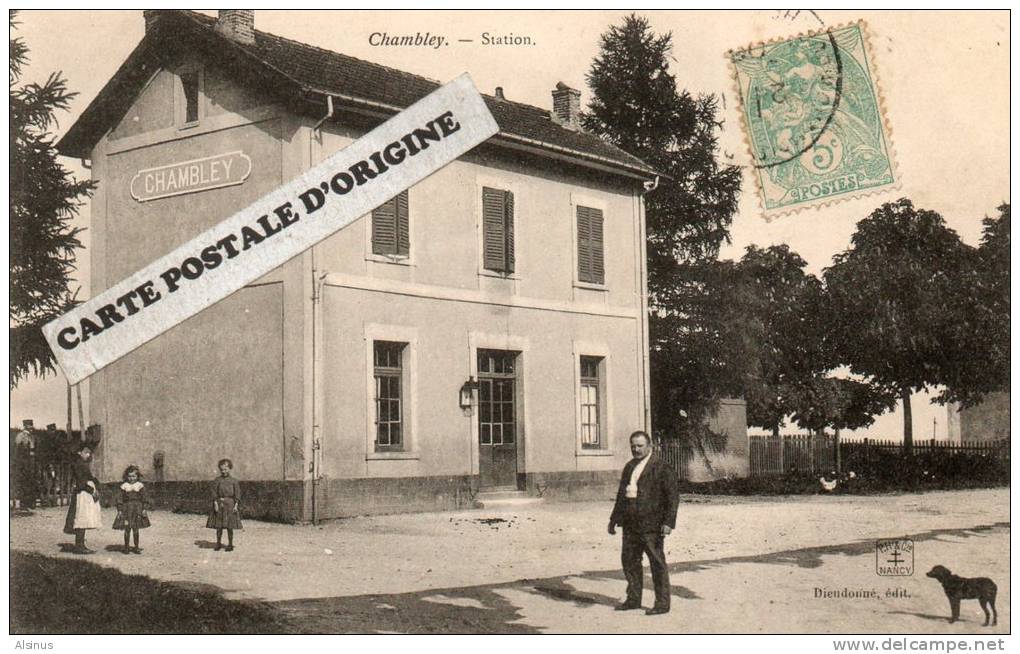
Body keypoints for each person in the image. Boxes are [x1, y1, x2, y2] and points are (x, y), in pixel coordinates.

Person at [608, 430, 680, 615]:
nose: (636, 449)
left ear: (649, 446)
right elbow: (621, 496)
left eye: (640, 446)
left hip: (652, 525)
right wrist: (614, 519)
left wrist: (668, 522)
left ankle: (662, 604)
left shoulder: (662, 467)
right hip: (630, 524)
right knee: (630, 561)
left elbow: (672, 497)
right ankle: (633, 599)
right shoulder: (629, 466)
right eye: (633, 446)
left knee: (656, 563)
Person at [62, 444, 102, 554]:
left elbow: (89, 477)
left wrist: (96, 485)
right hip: (82, 494)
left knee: (84, 518)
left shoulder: (84, 464)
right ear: (79, 452)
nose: (88, 455)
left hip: (86, 494)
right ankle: (79, 546)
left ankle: (81, 544)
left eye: (89, 453)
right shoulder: (78, 464)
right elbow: (81, 482)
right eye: (86, 452)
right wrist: (91, 490)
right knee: (81, 518)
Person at [206, 458, 243, 551]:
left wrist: (236, 505)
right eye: (222, 469)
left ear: (230, 468)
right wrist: (215, 503)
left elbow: (237, 494)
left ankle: (230, 544)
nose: (223, 471)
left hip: (230, 504)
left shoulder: (234, 481)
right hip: (220, 504)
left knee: (230, 526)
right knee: (219, 526)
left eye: (225, 469)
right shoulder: (217, 480)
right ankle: (218, 543)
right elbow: (214, 492)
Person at [113, 465, 151, 554]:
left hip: (137, 509)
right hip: (127, 510)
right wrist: (119, 510)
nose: (131, 478)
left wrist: (144, 509)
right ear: (126, 476)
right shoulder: (124, 486)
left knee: (135, 529)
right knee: (127, 529)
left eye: (133, 476)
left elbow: (145, 498)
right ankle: (126, 547)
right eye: (129, 476)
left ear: (137, 476)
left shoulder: (140, 486)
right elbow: (119, 499)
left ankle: (136, 547)